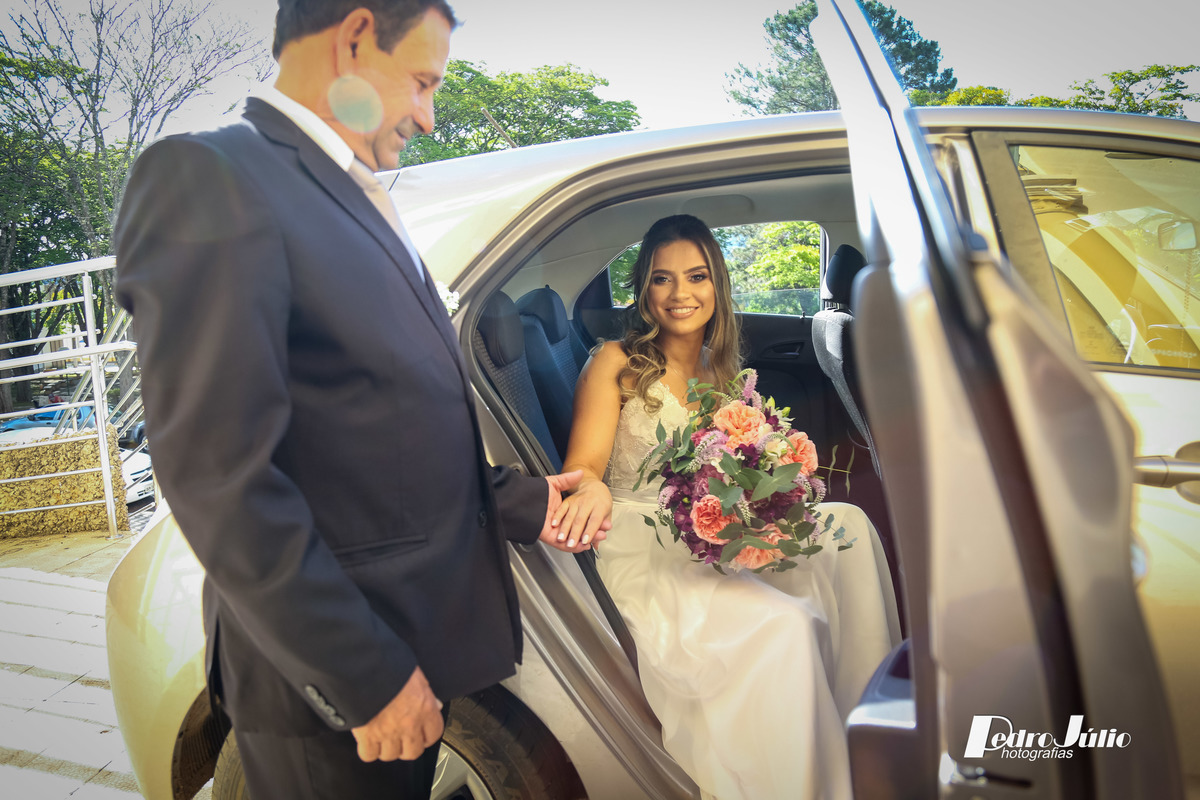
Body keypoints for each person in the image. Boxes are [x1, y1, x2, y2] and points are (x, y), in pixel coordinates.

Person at [113, 2, 603, 798]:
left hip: (413, 652)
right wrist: (366, 678)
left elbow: (384, 432)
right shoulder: (211, 179)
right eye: (422, 82)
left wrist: (527, 502)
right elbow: (219, 476)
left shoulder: (353, 195)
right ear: (352, 38)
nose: (429, 116)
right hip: (339, 702)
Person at [554, 214, 902, 799]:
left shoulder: (721, 367)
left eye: (696, 276)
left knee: (847, 526)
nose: (680, 293)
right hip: (643, 533)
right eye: (662, 278)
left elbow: (732, 468)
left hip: (712, 525)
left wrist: (769, 493)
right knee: (787, 625)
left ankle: (865, 738)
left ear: (717, 283)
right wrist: (589, 486)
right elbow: (584, 466)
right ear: (644, 289)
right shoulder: (615, 360)